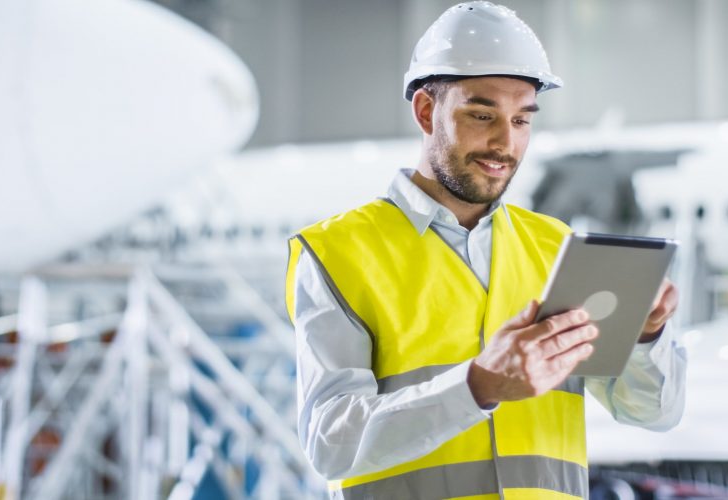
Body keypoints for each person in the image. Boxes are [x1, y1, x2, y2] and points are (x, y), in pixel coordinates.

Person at [285, 2, 686, 499]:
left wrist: (647, 336)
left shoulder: (557, 248)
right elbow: (330, 442)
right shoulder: (338, 253)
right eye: (482, 115)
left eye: (522, 120)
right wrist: (477, 386)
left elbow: (652, 411)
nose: (505, 143)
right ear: (427, 111)